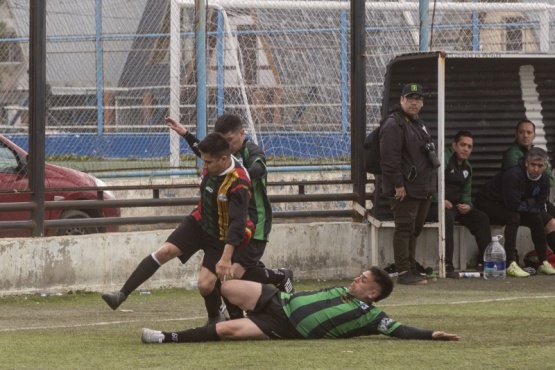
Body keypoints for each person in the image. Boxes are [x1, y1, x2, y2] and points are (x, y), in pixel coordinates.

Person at [102, 132, 256, 324]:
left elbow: (238, 223)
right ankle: (121, 295)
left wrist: (226, 257)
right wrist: (185, 133)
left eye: (208, 163)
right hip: (198, 222)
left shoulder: (239, 182)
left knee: (205, 285)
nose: (204, 166)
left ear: (223, 159)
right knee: (164, 251)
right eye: (203, 161)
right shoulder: (213, 159)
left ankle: (215, 318)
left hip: (221, 235)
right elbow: (199, 148)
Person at [166, 113, 293, 320]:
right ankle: (232, 315)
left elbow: (260, 167)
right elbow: (206, 153)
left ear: (242, 134)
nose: (226, 145)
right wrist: (187, 135)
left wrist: (239, 177)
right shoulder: (224, 158)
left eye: (229, 140)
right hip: (232, 225)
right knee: (223, 271)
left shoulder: (250, 152)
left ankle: (279, 276)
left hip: (255, 225)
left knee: (231, 273)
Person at [140, 266, 460, 344]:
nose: (356, 279)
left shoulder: (372, 316)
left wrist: (430, 334)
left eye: (363, 280)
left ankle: (167, 338)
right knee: (224, 284)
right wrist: (284, 286)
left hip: (283, 326)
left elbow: (400, 330)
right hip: (278, 300)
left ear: (373, 294)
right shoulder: (341, 289)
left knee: (224, 331)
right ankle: (233, 309)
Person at [379, 83, 439, 285]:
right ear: (401, 100)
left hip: (421, 187)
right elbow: (389, 158)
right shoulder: (393, 124)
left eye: (418, 99)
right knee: (404, 227)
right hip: (405, 188)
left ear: (422, 103)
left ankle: (412, 267)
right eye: (410, 98)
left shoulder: (417, 122)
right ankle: (404, 271)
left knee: (414, 229)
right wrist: (398, 184)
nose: (414, 102)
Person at [474, 147, 555, 277]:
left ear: (545, 166)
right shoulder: (514, 174)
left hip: (510, 205)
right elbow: (513, 205)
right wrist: (530, 203)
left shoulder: (544, 178)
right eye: (533, 165)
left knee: (536, 217)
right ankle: (510, 263)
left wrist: (526, 204)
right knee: (514, 216)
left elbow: (540, 203)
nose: (536, 169)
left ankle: (543, 262)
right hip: (487, 203)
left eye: (540, 166)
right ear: (526, 163)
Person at [426, 131, 491, 277]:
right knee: (447, 217)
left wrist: (467, 204)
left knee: (481, 218)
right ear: (454, 145)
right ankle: (447, 265)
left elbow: (466, 192)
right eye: (463, 145)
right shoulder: (443, 159)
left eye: (469, 146)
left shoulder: (467, 167)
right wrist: (439, 200)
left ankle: (484, 263)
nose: (466, 149)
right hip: (433, 206)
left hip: (455, 207)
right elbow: (429, 185)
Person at [502, 119, 555, 260]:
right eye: (521, 132)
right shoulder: (512, 155)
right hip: (518, 203)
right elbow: (521, 182)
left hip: (535, 201)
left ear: (534, 135)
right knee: (550, 223)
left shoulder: (537, 154)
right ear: (516, 134)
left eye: (529, 132)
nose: (525, 135)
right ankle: (543, 260)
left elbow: (548, 179)